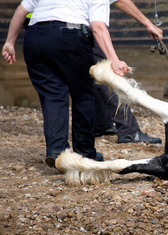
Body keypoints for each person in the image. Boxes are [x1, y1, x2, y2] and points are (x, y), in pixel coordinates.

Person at [2, 0, 129, 168]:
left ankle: (57, 151)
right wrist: (114, 59)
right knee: (83, 94)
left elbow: (21, 10)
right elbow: (98, 27)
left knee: (52, 95)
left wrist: (10, 42)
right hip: (69, 37)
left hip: (34, 38)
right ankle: (84, 152)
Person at [94, 0, 163, 144]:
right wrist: (148, 24)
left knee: (85, 77)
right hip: (87, 29)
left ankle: (100, 124)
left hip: (46, 30)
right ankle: (128, 131)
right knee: (108, 77)